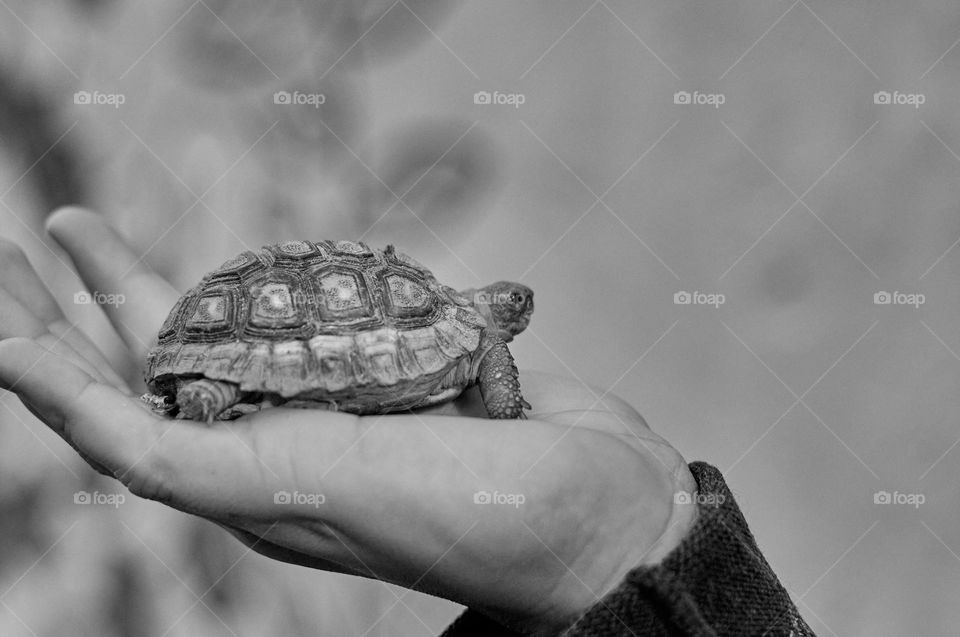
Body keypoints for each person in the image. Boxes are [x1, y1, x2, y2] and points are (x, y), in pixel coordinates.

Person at [0, 207, 815, 636]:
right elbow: (499, 385)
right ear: (501, 311)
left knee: (225, 392)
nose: (516, 314)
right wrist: (514, 417)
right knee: (222, 394)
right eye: (515, 306)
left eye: (513, 308)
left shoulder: (458, 317)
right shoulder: (473, 333)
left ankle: (209, 385)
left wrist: (621, 545)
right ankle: (209, 389)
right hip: (296, 326)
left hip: (241, 326)